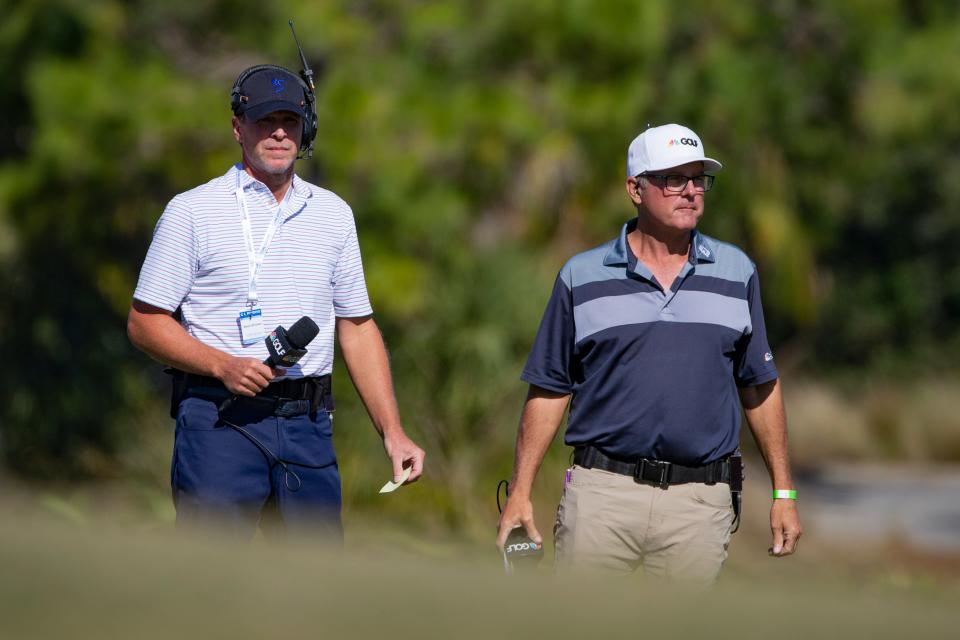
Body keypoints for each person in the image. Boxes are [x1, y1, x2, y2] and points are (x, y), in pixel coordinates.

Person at [127, 64, 424, 540]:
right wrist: (222, 364)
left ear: (306, 128)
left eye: (291, 121)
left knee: (316, 583)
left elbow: (357, 326)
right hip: (219, 421)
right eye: (266, 121)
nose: (280, 133)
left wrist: (392, 430)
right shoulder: (192, 211)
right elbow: (145, 322)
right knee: (213, 580)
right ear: (238, 128)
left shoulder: (334, 214)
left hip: (307, 425)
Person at [496, 124, 801, 584]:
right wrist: (520, 490)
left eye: (698, 179)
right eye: (673, 179)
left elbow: (759, 386)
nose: (691, 191)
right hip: (602, 493)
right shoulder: (581, 276)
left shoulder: (738, 271)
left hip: (699, 502)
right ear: (635, 189)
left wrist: (784, 492)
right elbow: (550, 388)